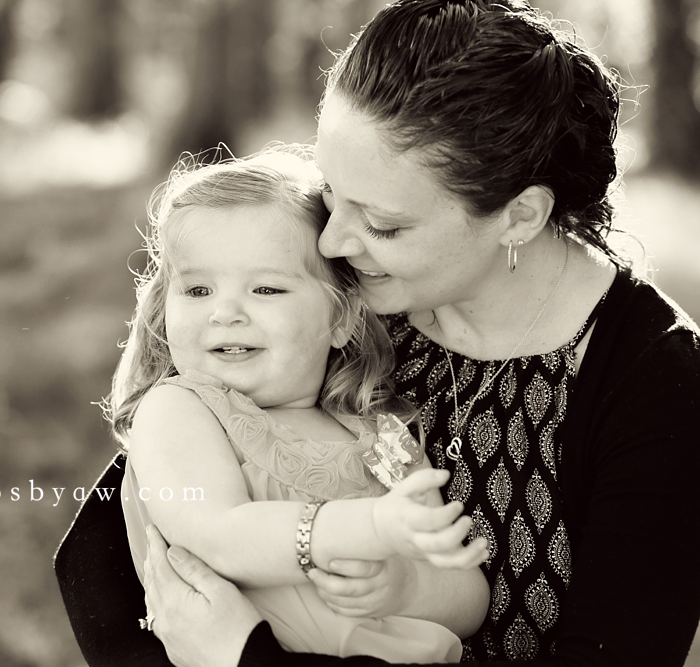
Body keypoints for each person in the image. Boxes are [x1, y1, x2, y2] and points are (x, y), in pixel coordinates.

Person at [54, 1, 700, 665]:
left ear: (520, 215)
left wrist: (243, 655)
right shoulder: (336, 295)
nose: (334, 239)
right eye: (331, 194)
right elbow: (111, 554)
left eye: (385, 224)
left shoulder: (655, 386)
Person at [110, 148, 490, 663]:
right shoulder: (180, 411)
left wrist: (404, 587)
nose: (224, 312)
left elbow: (469, 596)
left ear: (341, 318)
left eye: (265, 288)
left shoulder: (380, 436)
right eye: (197, 289)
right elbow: (219, 535)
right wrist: (369, 530)